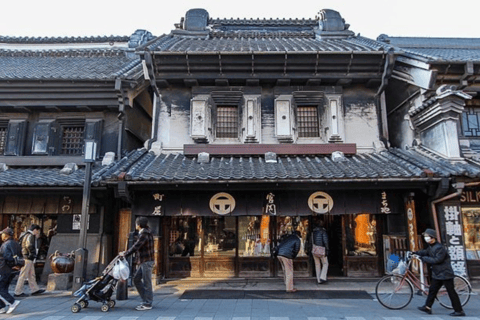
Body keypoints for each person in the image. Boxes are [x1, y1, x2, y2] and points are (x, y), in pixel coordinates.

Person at [415, 228, 466, 317]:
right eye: (425, 236)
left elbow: (437, 260)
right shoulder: (432, 246)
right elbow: (425, 252)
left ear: (433, 237)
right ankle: (427, 307)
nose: (426, 238)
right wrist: (416, 253)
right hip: (438, 274)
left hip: (445, 273)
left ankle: (459, 311)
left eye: (427, 236)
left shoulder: (439, 248)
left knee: (451, 292)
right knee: (432, 290)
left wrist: (424, 259)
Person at [120, 217, 154, 311]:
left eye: (136, 224)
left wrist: (125, 253)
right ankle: (145, 300)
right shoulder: (145, 232)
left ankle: (148, 303)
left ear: (138, 225)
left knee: (147, 282)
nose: (135, 225)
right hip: (144, 260)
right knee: (136, 279)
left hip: (146, 261)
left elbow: (137, 246)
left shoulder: (144, 233)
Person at [14, 224, 45, 297]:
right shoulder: (30, 236)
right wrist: (33, 254)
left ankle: (35, 289)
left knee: (31, 274)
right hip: (28, 258)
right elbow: (29, 246)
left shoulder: (25, 235)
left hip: (26, 257)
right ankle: (18, 291)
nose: (37, 232)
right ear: (35, 230)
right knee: (23, 275)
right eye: (37, 231)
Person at [0, 228, 21, 314]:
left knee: (1, 289)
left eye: (2, 234)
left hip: (5, 269)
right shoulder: (16, 243)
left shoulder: (5, 245)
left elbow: (7, 257)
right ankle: (1, 307)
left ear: (5, 235)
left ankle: (12, 302)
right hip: (12, 269)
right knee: (3, 288)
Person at [311, 220, 329, 284]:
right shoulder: (323, 231)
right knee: (325, 263)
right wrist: (327, 249)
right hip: (321, 249)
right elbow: (325, 241)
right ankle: (323, 277)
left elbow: (311, 241)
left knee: (317, 265)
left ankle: (318, 279)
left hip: (314, 249)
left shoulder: (313, 231)